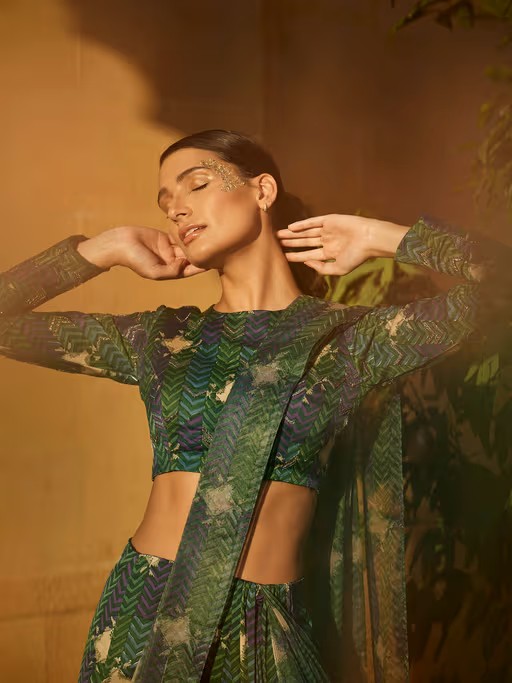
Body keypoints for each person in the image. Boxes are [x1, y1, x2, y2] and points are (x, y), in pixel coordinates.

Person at [0, 129, 510, 683]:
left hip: (272, 628)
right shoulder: (163, 340)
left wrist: (379, 236)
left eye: (196, 184)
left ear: (262, 190)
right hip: (144, 618)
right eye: (166, 202)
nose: (176, 209)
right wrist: (102, 249)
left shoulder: (348, 344)